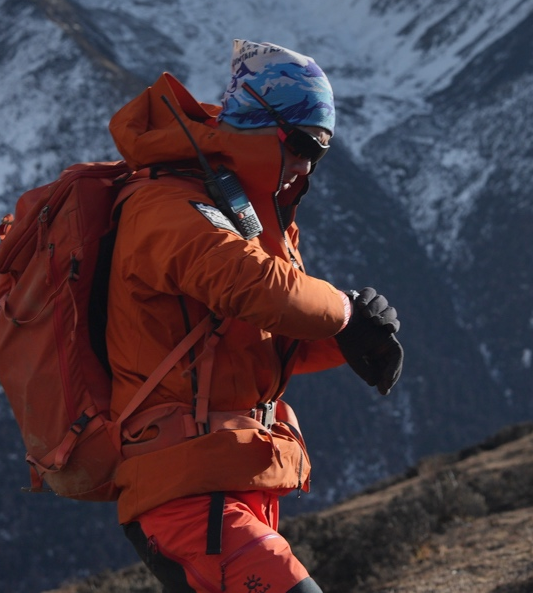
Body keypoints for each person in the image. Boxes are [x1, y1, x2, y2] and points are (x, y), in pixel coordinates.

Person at [105, 39, 404, 593]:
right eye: (302, 144)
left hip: (230, 478)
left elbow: (262, 340)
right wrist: (343, 313)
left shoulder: (241, 214)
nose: (306, 165)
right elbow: (261, 291)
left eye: (321, 152)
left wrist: (347, 338)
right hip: (187, 491)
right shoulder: (167, 207)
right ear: (263, 126)